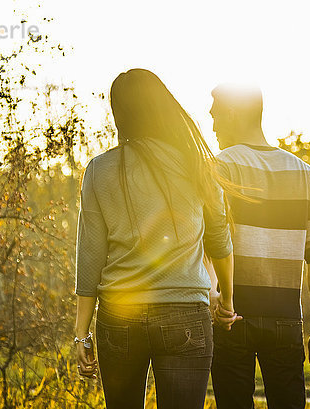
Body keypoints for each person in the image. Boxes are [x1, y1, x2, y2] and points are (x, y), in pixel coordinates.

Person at [74, 69, 239, 409]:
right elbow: (220, 242)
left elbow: (90, 257)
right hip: (186, 316)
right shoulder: (198, 166)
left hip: (119, 317)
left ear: (120, 114)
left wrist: (81, 333)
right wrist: (228, 299)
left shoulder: (100, 170)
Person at [208, 84, 310, 409]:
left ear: (233, 113)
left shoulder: (218, 167)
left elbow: (206, 242)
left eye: (216, 113)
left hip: (231, 316)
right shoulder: (306, 176)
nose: (212, 123)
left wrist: (212, 297)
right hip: (286, 320)